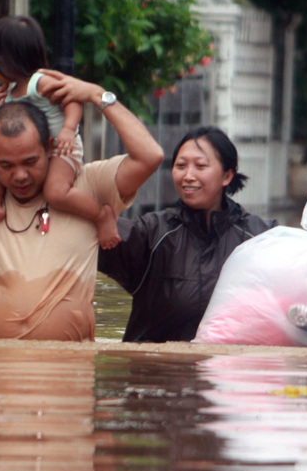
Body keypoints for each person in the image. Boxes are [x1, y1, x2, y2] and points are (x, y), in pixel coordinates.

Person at [0, 72, 164, 340]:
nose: (20, 175)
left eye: (30, 162)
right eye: (6, 165)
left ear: (50, 147)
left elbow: (150, 156)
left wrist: (98, 95)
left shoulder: (89, 186)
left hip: (70, 373)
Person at [98, 126, 277, 342]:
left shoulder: (261, 238)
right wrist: (100, 218)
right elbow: (82, 238)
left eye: (200, 166)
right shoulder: (153, 233)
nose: (188, 176)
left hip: (231, 371)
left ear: (227, 175)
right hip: (157, 371)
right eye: (180, 166)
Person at [0, 16, 120, 249]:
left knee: (55, 193)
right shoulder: (7, 94)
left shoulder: (40, 83)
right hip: (31, 154)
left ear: (3, 59)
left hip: (61, 147)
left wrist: (69, 129)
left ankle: (101, 214)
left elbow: (72, 100)